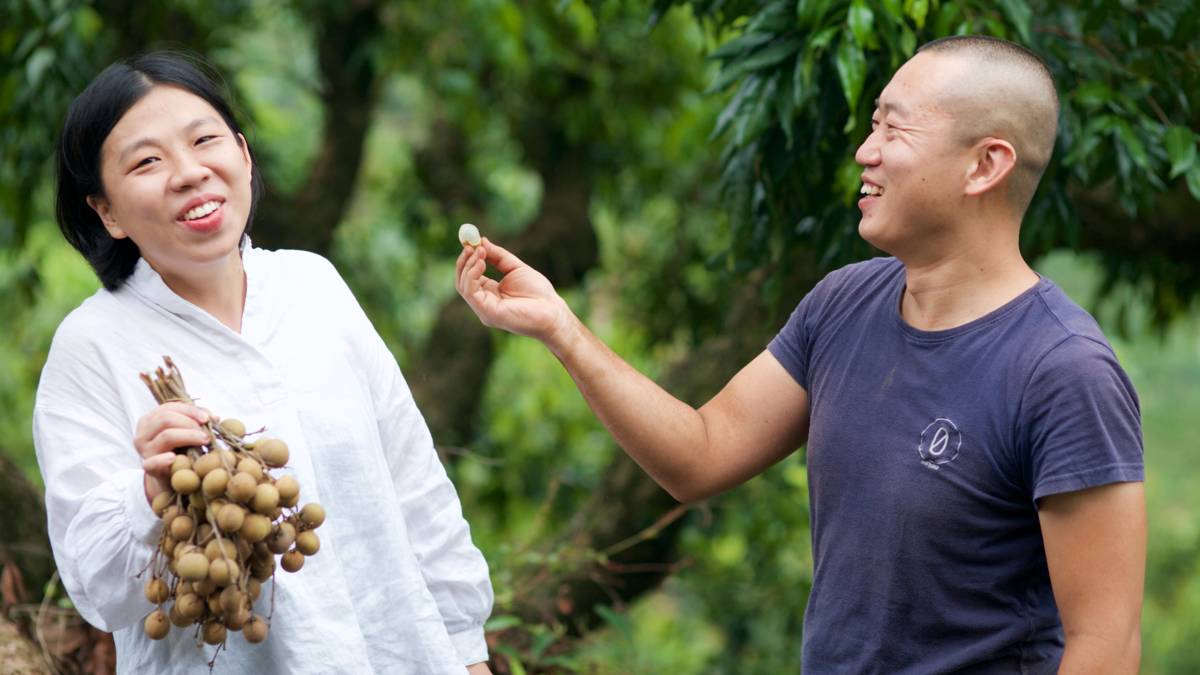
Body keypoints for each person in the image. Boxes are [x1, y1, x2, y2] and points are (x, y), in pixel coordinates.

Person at [456, 35, 1144, 673]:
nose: (865, 152)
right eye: (873, 124)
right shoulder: (844, 304)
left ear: (985, 164)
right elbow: (700, 452)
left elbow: (1105, 646)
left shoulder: (1063, 370)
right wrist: (561, 329)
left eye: (893, 129)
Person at [35, 52, 493, 674]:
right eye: (147, 161)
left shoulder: (314, 285)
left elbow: (415, 487)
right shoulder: (90, 346)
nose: (189, 172)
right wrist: (147, 497)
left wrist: (466, 654)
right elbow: (96, 589)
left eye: (205, 141)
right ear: (105, 211)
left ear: (245, 157)